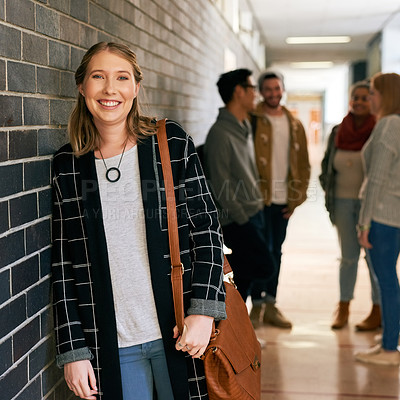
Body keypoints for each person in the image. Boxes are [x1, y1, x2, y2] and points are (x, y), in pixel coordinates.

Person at [51, 42, 226, 400]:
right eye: (98, 77)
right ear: (82, 87)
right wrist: (73, 350)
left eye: (121, 77)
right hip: (112, 343)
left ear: (135, 88)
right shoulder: (67, 164)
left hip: (180, 330)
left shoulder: (170, 143)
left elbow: (207, 228)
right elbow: (64, 261)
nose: (110, 89)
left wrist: (204, 312)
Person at [204, 68, 275, 305]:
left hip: (255, 212)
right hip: (239, 220)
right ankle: (233, 336)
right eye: (252, 88)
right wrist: (242, 219)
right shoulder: (220, 134)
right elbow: (220, 183)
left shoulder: (243, 127)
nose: (257, 94)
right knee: (251, 276)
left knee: (251, 276)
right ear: (239, 91)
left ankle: (242, 334)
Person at [249, 72, 310, 328]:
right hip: (257, 199)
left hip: (283, 200)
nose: (273, 93)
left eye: (277, 88)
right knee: (257, 251)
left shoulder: (294, 124)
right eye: (268, 89)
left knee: (276, 251)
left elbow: (303, 163)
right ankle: (256, 305)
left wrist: (297, 198)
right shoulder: (252, 120)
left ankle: (271, 304)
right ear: (261, 92)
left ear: (283, 89)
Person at [320, 81, 381, 330]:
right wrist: (329, 190)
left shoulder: (379, 131)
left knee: (374, 259)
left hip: (373, 206)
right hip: (343, 204)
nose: (359, 102)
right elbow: (326, 166)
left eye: (365, 98)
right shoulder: (337, 131)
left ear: (373, 101)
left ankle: (378, 310)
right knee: (348, 258)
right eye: (355, 97)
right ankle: (343, 307)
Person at [355, 72, 400, 366]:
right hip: (391, 215)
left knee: (386, 282)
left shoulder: (389, 124)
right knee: (388, 281)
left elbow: (376, 179)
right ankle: (388, 340)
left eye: (372, 92)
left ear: (386, 94)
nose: (370, 97)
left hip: (383, 217)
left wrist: (364, 223)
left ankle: (389, 350)